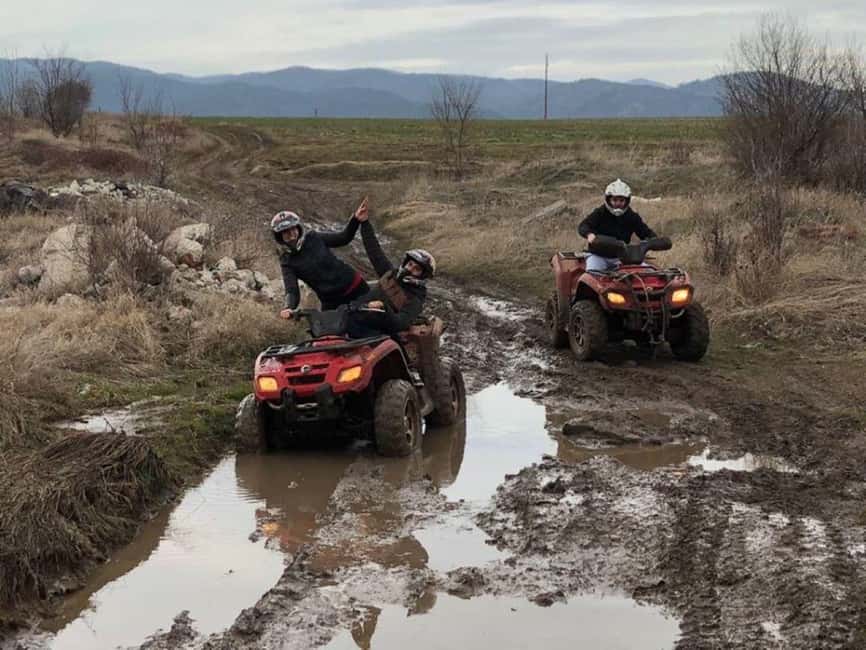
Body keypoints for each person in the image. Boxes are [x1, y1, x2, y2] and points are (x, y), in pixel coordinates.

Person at [346, 206, 436, 339]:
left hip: (374, 333)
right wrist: (364, 222)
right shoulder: (390, 274)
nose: (410, 269)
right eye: (410, 264)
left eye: (416, 269)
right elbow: (374, 251)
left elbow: (400, 323)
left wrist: (383, 308)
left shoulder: (415, 300)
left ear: (422, 276)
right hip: (354, 314)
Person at [272, 198, 370, 318]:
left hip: (355, 287)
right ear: (279, 236)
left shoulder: (314, 237)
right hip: (331, 302)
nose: (291, 233)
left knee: (377, 320)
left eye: (293, 228)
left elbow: (343, 238)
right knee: (329, 329)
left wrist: (355, 219)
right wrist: (288, 307)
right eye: (285, 231)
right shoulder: (287, 261)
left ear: (298, 228)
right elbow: (292, 290)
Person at [577, 179, 657, 273]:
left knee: (649, 272)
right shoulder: (600, 213)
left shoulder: (631, 216)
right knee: (592, 275)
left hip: (622, 257)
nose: (618, 203)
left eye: (621, 200)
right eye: (615, 200)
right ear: (608, 200)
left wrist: (654, 240)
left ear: (627, 201)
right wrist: (589, 234)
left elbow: (645, 232)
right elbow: (583, 225)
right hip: (598, 256)